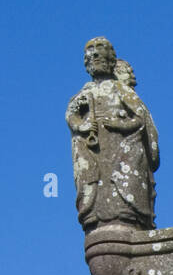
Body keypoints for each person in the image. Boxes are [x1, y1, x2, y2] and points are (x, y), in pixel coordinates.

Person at [65, 38, 159, 230]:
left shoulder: (120, 90)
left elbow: (140, 118)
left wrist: (118, 124)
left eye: (100, 50)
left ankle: (126, 213)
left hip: (121, 156)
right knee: (95, 195)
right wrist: (82, 125)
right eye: (91, 52)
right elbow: (70, 116)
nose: (95, 55)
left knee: (121, 202)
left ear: (110, 60)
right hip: (93, 157)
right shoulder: (83, 93)